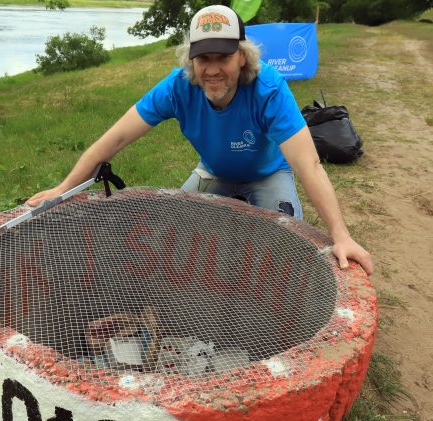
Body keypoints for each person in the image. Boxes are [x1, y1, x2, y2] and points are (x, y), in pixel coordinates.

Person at [27, 4, 373, 276]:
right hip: (214, 172)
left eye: (222, 57)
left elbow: (308, 164)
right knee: (172, 230)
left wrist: (340, 235)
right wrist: (65, 187)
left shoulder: (269, 88)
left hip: (268, 173)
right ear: (191, 59)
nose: (211, 70)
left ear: (242, 56)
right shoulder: (178, 86)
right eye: (203, 58)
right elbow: (115, 138)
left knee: (285, 244)